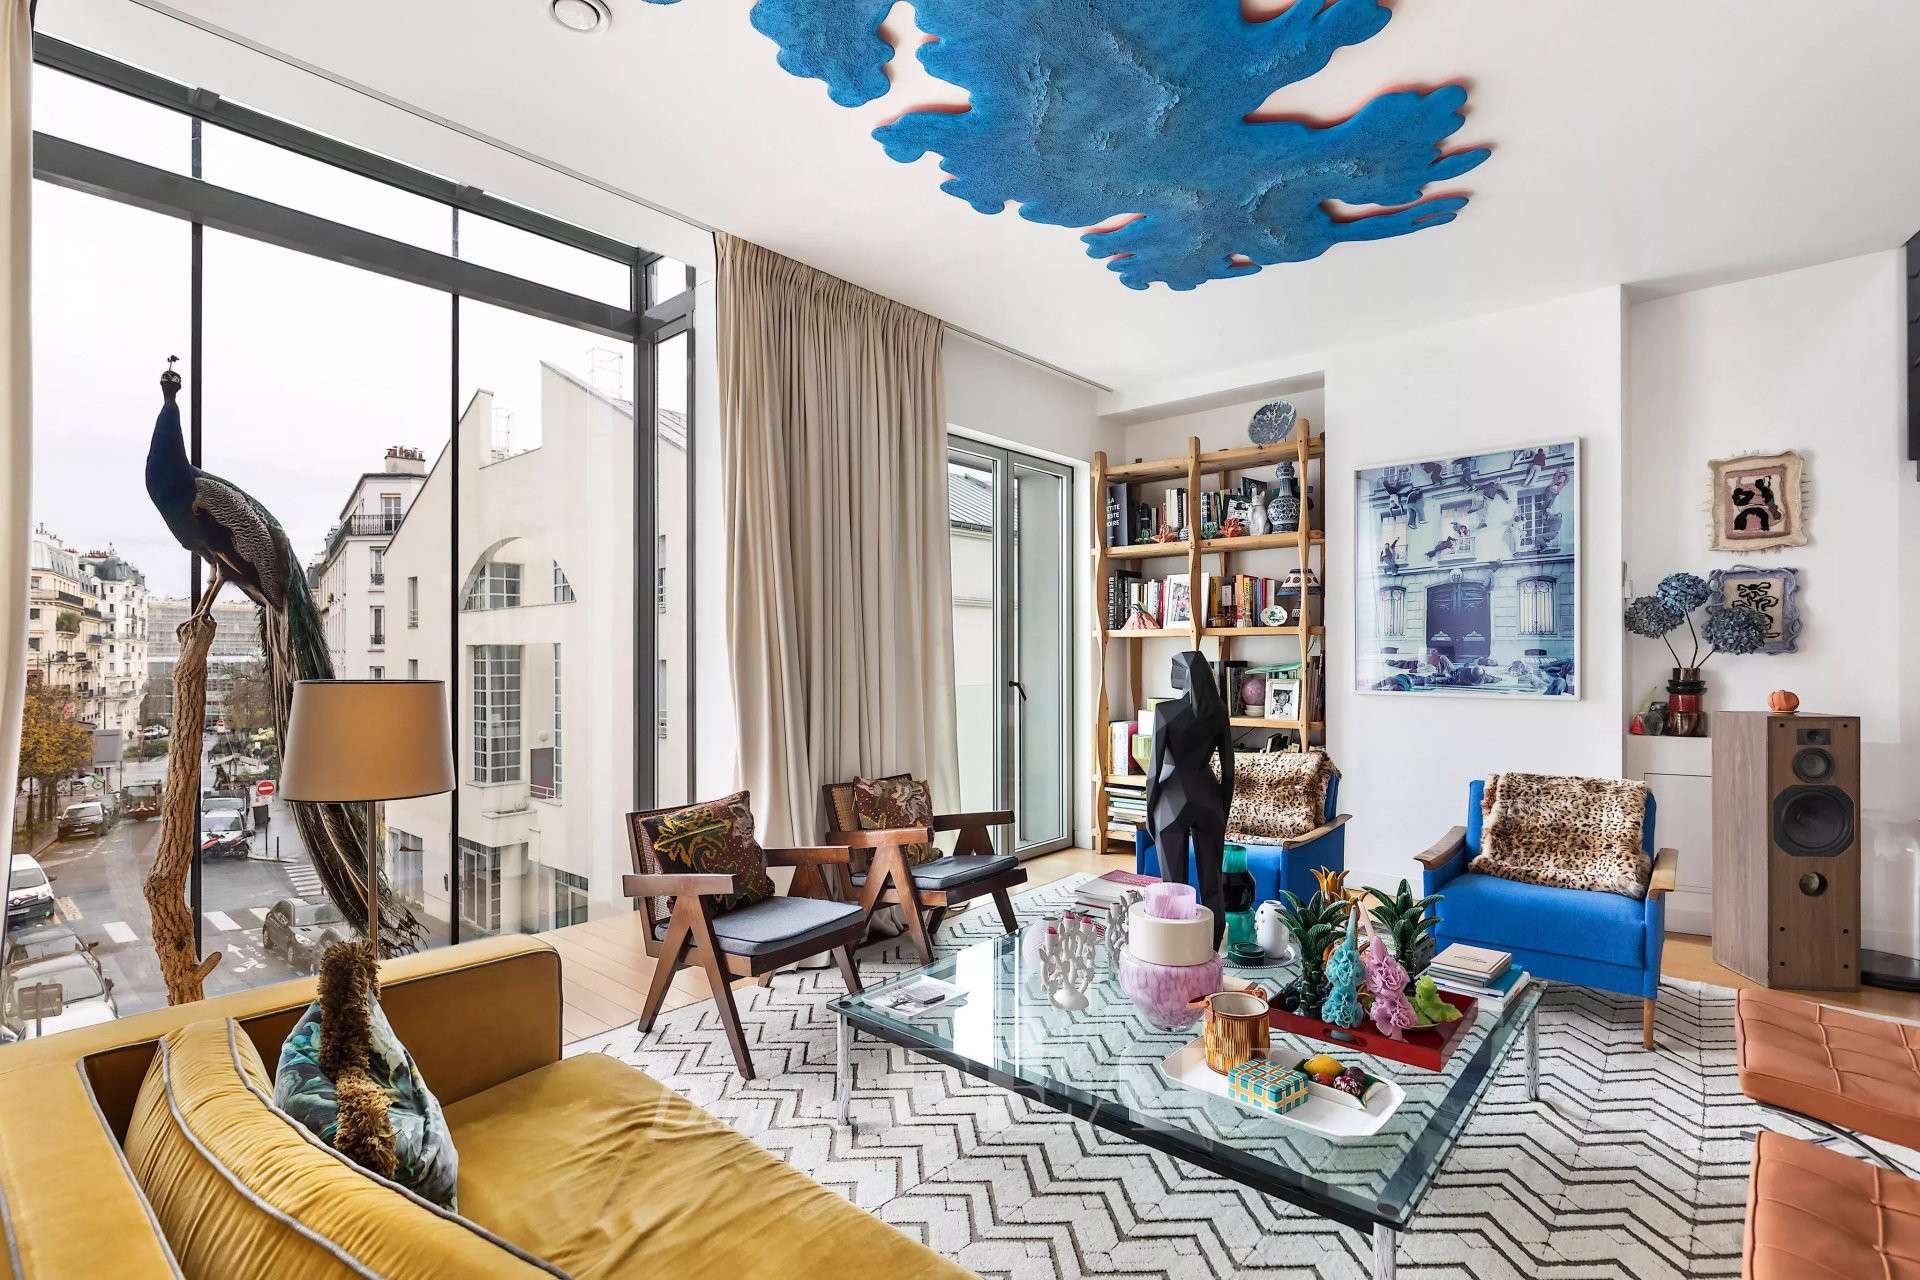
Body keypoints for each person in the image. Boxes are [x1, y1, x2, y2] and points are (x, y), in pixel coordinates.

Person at [1145, 651, 1235, 949]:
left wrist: (1149, 810)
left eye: (1174, 668)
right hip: (1209, 797)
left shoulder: (1165, 712)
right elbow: (1229, 771)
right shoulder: (1219, 712)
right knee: (1213, 883)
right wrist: (1223, 810)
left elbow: (1154, 771)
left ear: (1183, 674)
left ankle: (1177, 946)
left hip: (1171, 800)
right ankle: (1213, 945)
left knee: (1174, 887)